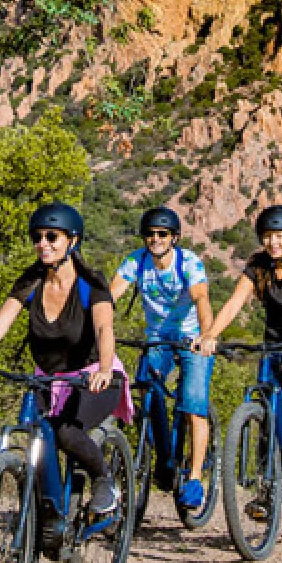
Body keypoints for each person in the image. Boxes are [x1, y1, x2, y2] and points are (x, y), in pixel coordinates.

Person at [0, 202, 131, 514]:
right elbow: (0, 323)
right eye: (37, 237)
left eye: (52, 236)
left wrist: (103, 368)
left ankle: (103, 480)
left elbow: (104, 327)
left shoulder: (91, 284)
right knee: (36, 430)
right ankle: (46, 516)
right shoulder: (32, 280)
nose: (43, 243)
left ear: (72, 241)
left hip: (93, 376)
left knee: (66, 432)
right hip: (48, 377)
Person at [200, 204, 282, 474]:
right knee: (266, 401)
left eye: (279, 236)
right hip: (274, 347)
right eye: (267, 236)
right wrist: (210, 335)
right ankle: (275, 479)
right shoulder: (259, 266)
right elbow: (235, 302)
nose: (272, 242)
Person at [110, 206, 215, 509]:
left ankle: (195, 479)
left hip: (192, 337)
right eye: (150, 234)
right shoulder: (136, 261)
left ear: (174, 237)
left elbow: (201, 299)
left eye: (162, 234)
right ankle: (164, 459)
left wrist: (207, 336)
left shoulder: (189, 263)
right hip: (157, 337)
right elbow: (110, 295)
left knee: (194, 404)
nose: (155, 239)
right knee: (148, 390)